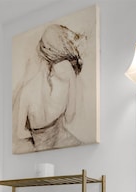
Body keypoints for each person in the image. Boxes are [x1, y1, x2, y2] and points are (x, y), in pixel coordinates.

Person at [13, 24, 86, 153]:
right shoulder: (67, 74)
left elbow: (20, 133)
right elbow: (70, 116)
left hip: (38, 148)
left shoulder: (27, 89)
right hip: (64, 144)